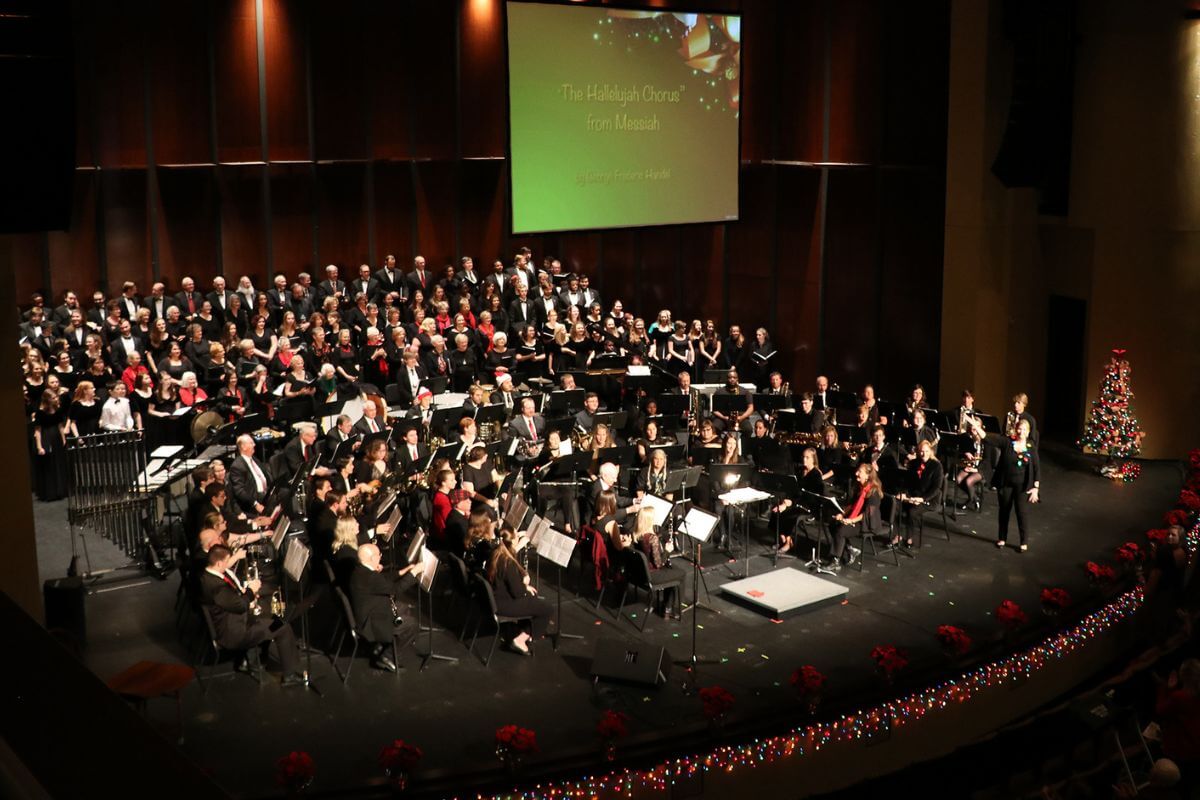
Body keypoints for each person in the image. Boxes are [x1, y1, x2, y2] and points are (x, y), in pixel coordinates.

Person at [199, 545, 304, 686]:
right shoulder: (217, 587)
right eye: (227, 561)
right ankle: (289, 675)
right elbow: (240, 605)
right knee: (282, 626)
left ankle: (252, 658)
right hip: (236, 634)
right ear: (219, 563)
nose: (229, 563)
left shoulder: (207, 576)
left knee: (272, 617)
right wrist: (250, 590)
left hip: (234, 624)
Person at [348, 543, 424, 672]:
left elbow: (383, 580)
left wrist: (404, 571)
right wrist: (414, 573)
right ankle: (387, 656)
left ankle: (382, 645)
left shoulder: (361, 570)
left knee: (404, 608)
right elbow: (394, 589)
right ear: (372, 559)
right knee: (411, 625)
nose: (381, 557)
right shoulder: (370, 577)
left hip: (370, 611)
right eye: (379, 555)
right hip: (371, 623)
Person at [487, 526, 551, 655]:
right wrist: (524, 583)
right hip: (504, 603)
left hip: (496, 598)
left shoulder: (496, 553)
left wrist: (525, 588)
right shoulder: (507, 562)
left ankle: (524, 630)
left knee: (533, 599)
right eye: (516, 536)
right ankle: (521, 639)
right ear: (512, 542)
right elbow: (518, 592)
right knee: (546, 609)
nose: (518, 538)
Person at [824, 462, 883, 570]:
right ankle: (850, 549)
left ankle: (835, 560)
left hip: (867, 522)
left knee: (841, 531)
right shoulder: (859, 487)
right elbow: (852, 505)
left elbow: (868, 514)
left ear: (867, 476)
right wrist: (842, 514)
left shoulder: (873, 492)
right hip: (856, 518)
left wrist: (851, 521)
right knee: (833, 524)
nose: (856, 473)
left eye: (859, 472)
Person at [993, 418, 1039, 552]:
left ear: (1028, 431)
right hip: (1006, 483)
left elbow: (1036, 468)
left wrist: (1036, 487)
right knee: (1004, 511)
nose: (1021, 431)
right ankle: (1002, 538)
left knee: (1021, 513)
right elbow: (990, 439)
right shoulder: (1008, 442)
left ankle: (1023, 542)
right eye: (1019, 428)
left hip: (1022, 486)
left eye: (1024, 429)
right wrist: (976, 428)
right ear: (1016, 429)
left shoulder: (1031, 446)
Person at [896, 440, 944, 548]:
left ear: (931, 451)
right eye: (921, 451)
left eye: (926, 451)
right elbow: (907, 482)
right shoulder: (913, 463)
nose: (924, 454)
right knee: (896, 506)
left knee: (912, 512)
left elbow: (936, 488)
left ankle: (909, 538)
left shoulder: (937, 466)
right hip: (913, 496)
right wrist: (904, 494)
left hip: (929, 499)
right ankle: (897, 535)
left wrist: (922, 499)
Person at [33, 389, 69, 501]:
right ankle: (51, 492)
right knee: (49, 465)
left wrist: (64, 439)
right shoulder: (40, 412)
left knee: (59, 463)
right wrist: (39, 447)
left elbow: (60, 426)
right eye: (53, 398)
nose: (56, 399)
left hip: (57, 438)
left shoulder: (57, 410)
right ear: (47, 399)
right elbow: (37, 431)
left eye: (56, 397)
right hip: (46, 437)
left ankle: (61, 490)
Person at [228, 434, 274, 515]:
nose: (254, 445)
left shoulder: (254, 459)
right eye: (251, 443)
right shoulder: (237, 466)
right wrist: (255, 504)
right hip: (255, 499)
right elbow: (239, 491)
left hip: (266, 493)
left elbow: (265, 475)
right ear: (244, 447)